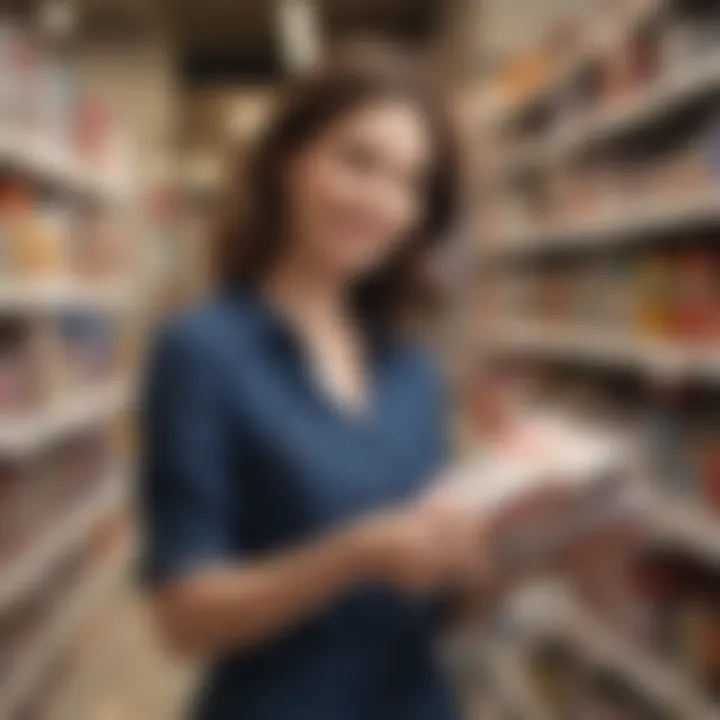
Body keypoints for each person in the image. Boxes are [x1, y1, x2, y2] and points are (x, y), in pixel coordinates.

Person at [139, 44, 490, 720]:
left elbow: (436, 607)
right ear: (286, 161)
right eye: (358, 161)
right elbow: (180, 617)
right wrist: (353, 554)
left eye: (410, 183)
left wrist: (508, 565)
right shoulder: (202, 351)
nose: (384, 202)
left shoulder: (412, 369)